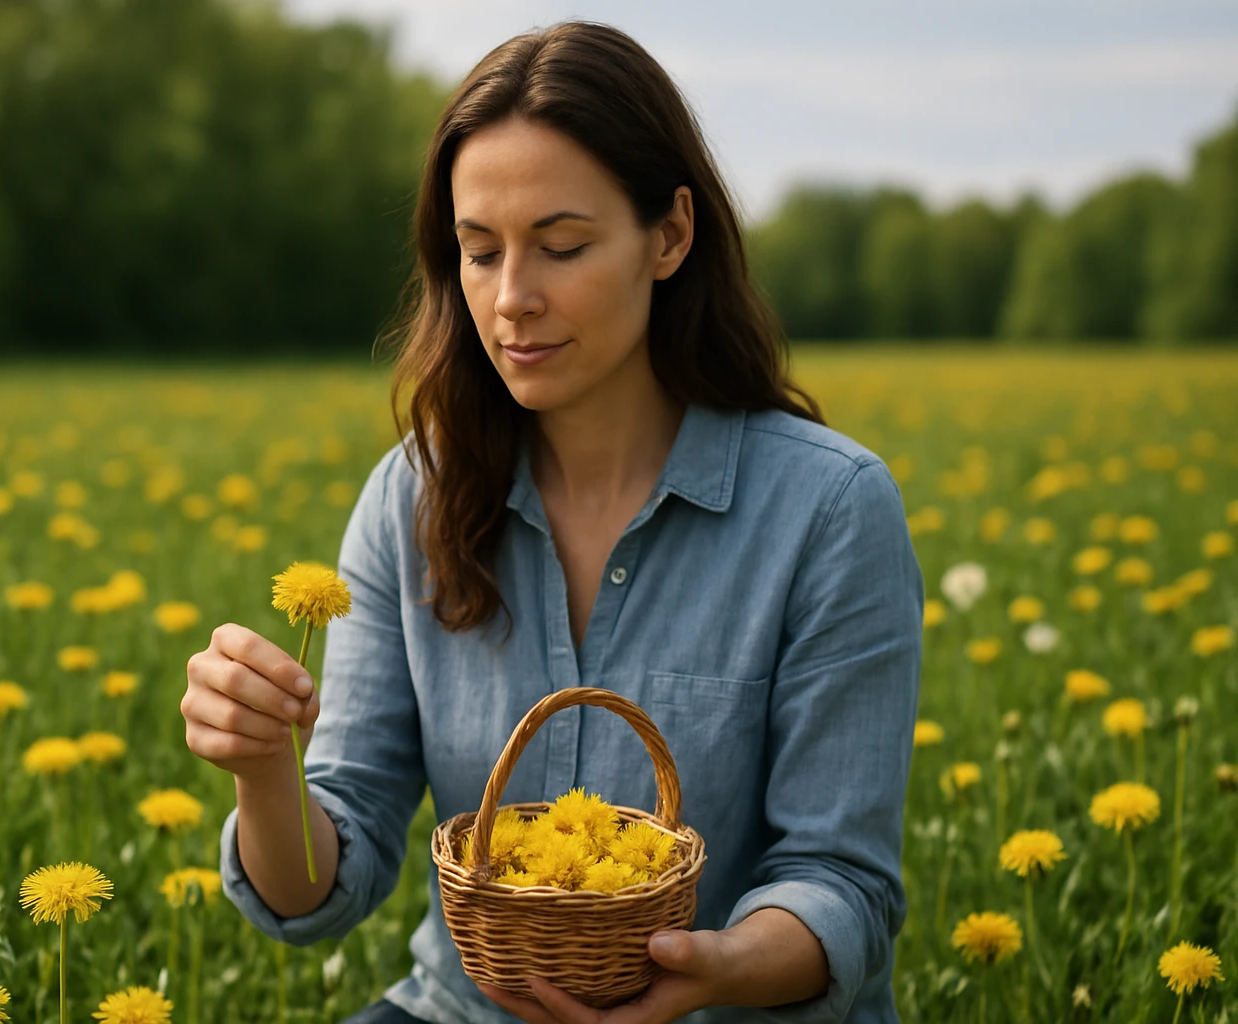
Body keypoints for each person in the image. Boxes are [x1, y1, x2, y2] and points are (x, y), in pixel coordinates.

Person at [181, 19, 923, 1024]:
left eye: (562, 246)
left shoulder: (830, 509)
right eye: (478, 253)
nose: (511, 300)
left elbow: (840, 881)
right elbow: (318, 891)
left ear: (669, 235)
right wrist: (266, 769)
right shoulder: (413, 497)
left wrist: (710, 970)